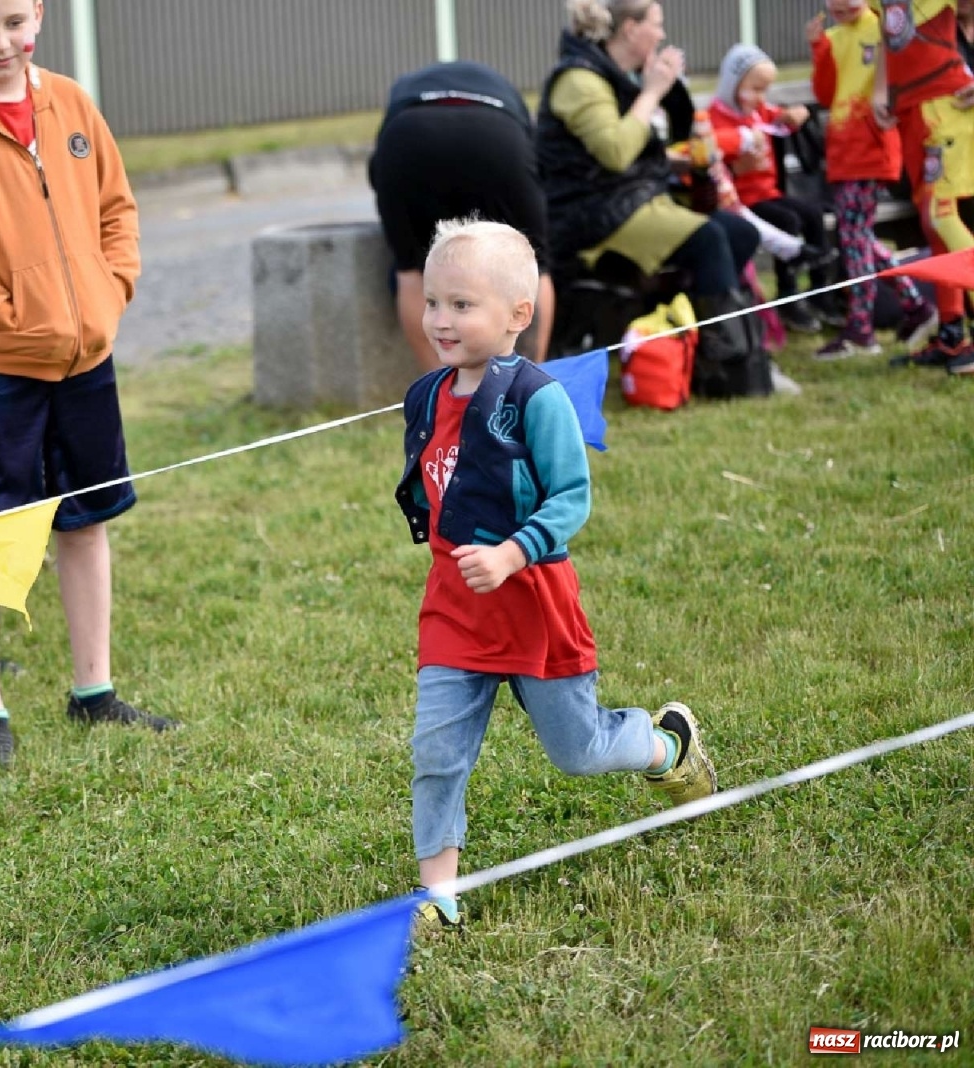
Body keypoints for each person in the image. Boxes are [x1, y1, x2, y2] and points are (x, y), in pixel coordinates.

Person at [392, 219, 715, 927]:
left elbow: (573, 497)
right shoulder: (424, 396)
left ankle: (667, 745)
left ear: (519, 314)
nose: (440, 320)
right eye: (434, 302)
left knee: (581, 750)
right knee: (437, 754)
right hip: (454, 609)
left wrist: (511, 553)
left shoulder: (535, 399)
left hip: (533, 602)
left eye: (462, 305)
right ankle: (437, 897)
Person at [0, 0, 178, 769]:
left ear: (40, 17)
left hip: (86, 360)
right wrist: (5, 313)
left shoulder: (73, 103)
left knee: (86, 520)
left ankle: (95, 691)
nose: (2, 42)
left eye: (15, 22)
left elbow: (117, 210)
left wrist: (110, 289)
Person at [537, 0, 787, 391]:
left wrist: (676, 154)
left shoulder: (616, 75)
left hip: (628, 202)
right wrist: (652, 91)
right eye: (656, 24)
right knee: (709, 239)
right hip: (591, 217)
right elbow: (616, 152)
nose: (662, 34)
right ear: (631, 30)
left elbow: (643, 144)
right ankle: (732, 369)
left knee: (740, 233)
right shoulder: (579, 80)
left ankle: (695, 343)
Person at [369, 61, 555, 366]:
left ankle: (439, 392)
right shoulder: (501, 86)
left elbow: (379, 174)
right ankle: (531, 382)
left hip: (407, 135)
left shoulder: (404, 87)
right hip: (496, 133)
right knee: (536, 262)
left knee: (411, 271)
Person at [809, 0, 940, 359]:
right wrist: (819, 48)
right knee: (859, 238)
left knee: (855, 240)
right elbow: (825, 93)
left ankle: (861, 330)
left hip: (872, 150)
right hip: (843, 151)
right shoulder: (833, 37)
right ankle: (916, 307)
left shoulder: (883, 28)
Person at [870, 0, 974, 371]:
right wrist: (881, 90)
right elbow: (888, 29)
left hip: (946, 103)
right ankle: (953, 337)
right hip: (912, 110)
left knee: (942, 216)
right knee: (934, 225)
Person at [710, 44, 838, 334]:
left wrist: (798, 114)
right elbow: (714, 151)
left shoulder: (759, 112)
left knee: (813, 214)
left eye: (765, 90)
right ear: (733, 83)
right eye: (755, 89)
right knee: (788, 221)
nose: (761, 97)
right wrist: (737, 164)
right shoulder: (718, 119)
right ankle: (788, 295)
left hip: (770, 193)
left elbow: (783, 118)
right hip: (742, 201)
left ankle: (822, 292)